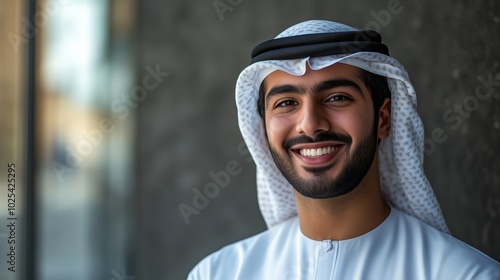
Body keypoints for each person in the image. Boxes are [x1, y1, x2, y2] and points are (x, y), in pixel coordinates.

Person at [187, 20, 500, 279]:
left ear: (383, 118)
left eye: (337, 98)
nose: (310, 125)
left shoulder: (464, 274)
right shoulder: (219, 273)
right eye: (286, 103)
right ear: (263, 129)